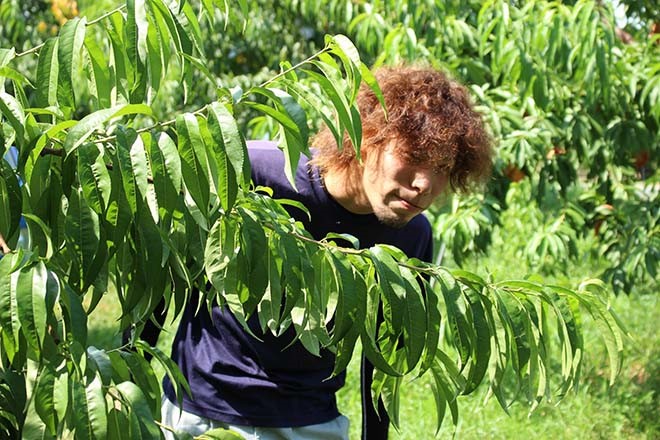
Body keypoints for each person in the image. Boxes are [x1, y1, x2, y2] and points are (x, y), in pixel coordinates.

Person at [157, 65, 493, 439]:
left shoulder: (411, 237)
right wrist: (131, 364)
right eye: (413, 156)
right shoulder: (253, 173)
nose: (425, 185)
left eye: (443, 168)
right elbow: (163, 268)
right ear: (367, 138)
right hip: (204, 408)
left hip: (310, 420)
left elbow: (382, 357)